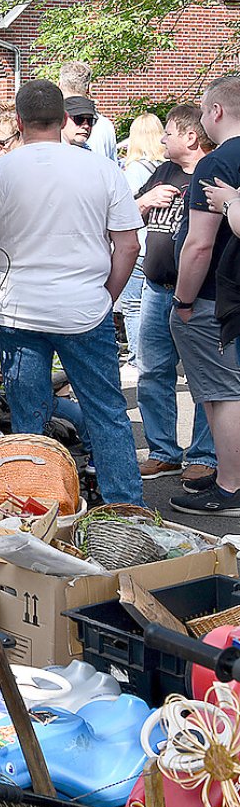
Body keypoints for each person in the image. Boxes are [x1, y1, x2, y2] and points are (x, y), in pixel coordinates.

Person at [0, 78, 143, 505]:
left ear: (18, 121)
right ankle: (125, 509)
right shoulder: (103, 169)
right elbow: (129, 244)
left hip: (18, 311)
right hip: (84, 308)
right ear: (65, 119)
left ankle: (36, 508)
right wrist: (107, 296)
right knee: (106, 413)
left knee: (28, 420)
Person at [133, 105, 216, 489]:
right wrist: (145, 201)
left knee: (204, 379)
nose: (163, 139)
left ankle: (203, 456)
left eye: (169, 132)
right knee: (152, 373)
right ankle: (163, 453)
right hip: (156, 291)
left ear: (190, 137)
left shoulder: (215, 173)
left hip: (201, 296)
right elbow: (126, 214)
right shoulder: (162, 172)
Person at [170, 75, 240, 512]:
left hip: (215, 296)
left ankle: (231, 487)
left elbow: (199, 245)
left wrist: (183, 301)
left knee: (222, 392)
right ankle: (230, 472)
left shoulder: (217, 164)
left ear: (215, 111)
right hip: (232, 295)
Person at [120, 113, 167, 361]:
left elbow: (124, 210)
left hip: (137, 245)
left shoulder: (134, 169)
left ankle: (138, 357)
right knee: (154, 307)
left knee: (133, 305)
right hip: (159, 244)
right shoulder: (166, 168)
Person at [58, 60, 119, 161]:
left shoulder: (48, 124)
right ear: (89, 88)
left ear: (59, 85)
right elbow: (112, 171)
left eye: (90, 121)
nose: (85, 125)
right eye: (78, 119)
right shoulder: (105, 125)